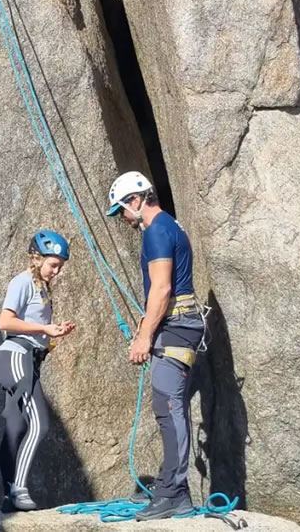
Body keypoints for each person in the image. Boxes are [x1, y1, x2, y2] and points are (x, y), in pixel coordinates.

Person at [106, 171, 205, 520]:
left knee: (169, 406)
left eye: (122, 211)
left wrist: (145, 337)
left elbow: (162, 289)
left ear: (136, 200)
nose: (124, 219)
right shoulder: (171, 227)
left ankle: (174, 492)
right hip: (178, 324)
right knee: (169, 405)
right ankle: (170, 487)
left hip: (175, 326)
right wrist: (145, 326)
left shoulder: (157, 231)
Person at [0, 230, 76, 513]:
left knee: (15, 428)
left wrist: (54, 336)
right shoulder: (23, 282)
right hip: (16, 356)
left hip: (29, 358)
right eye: (53, 264)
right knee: (39, 424)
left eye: (60, 266)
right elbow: (5, 321)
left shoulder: (42, 288)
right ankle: (19, 489)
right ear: (37, 257)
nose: (57, 271)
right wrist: (43, 328)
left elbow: (39, 338)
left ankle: (8, 496)